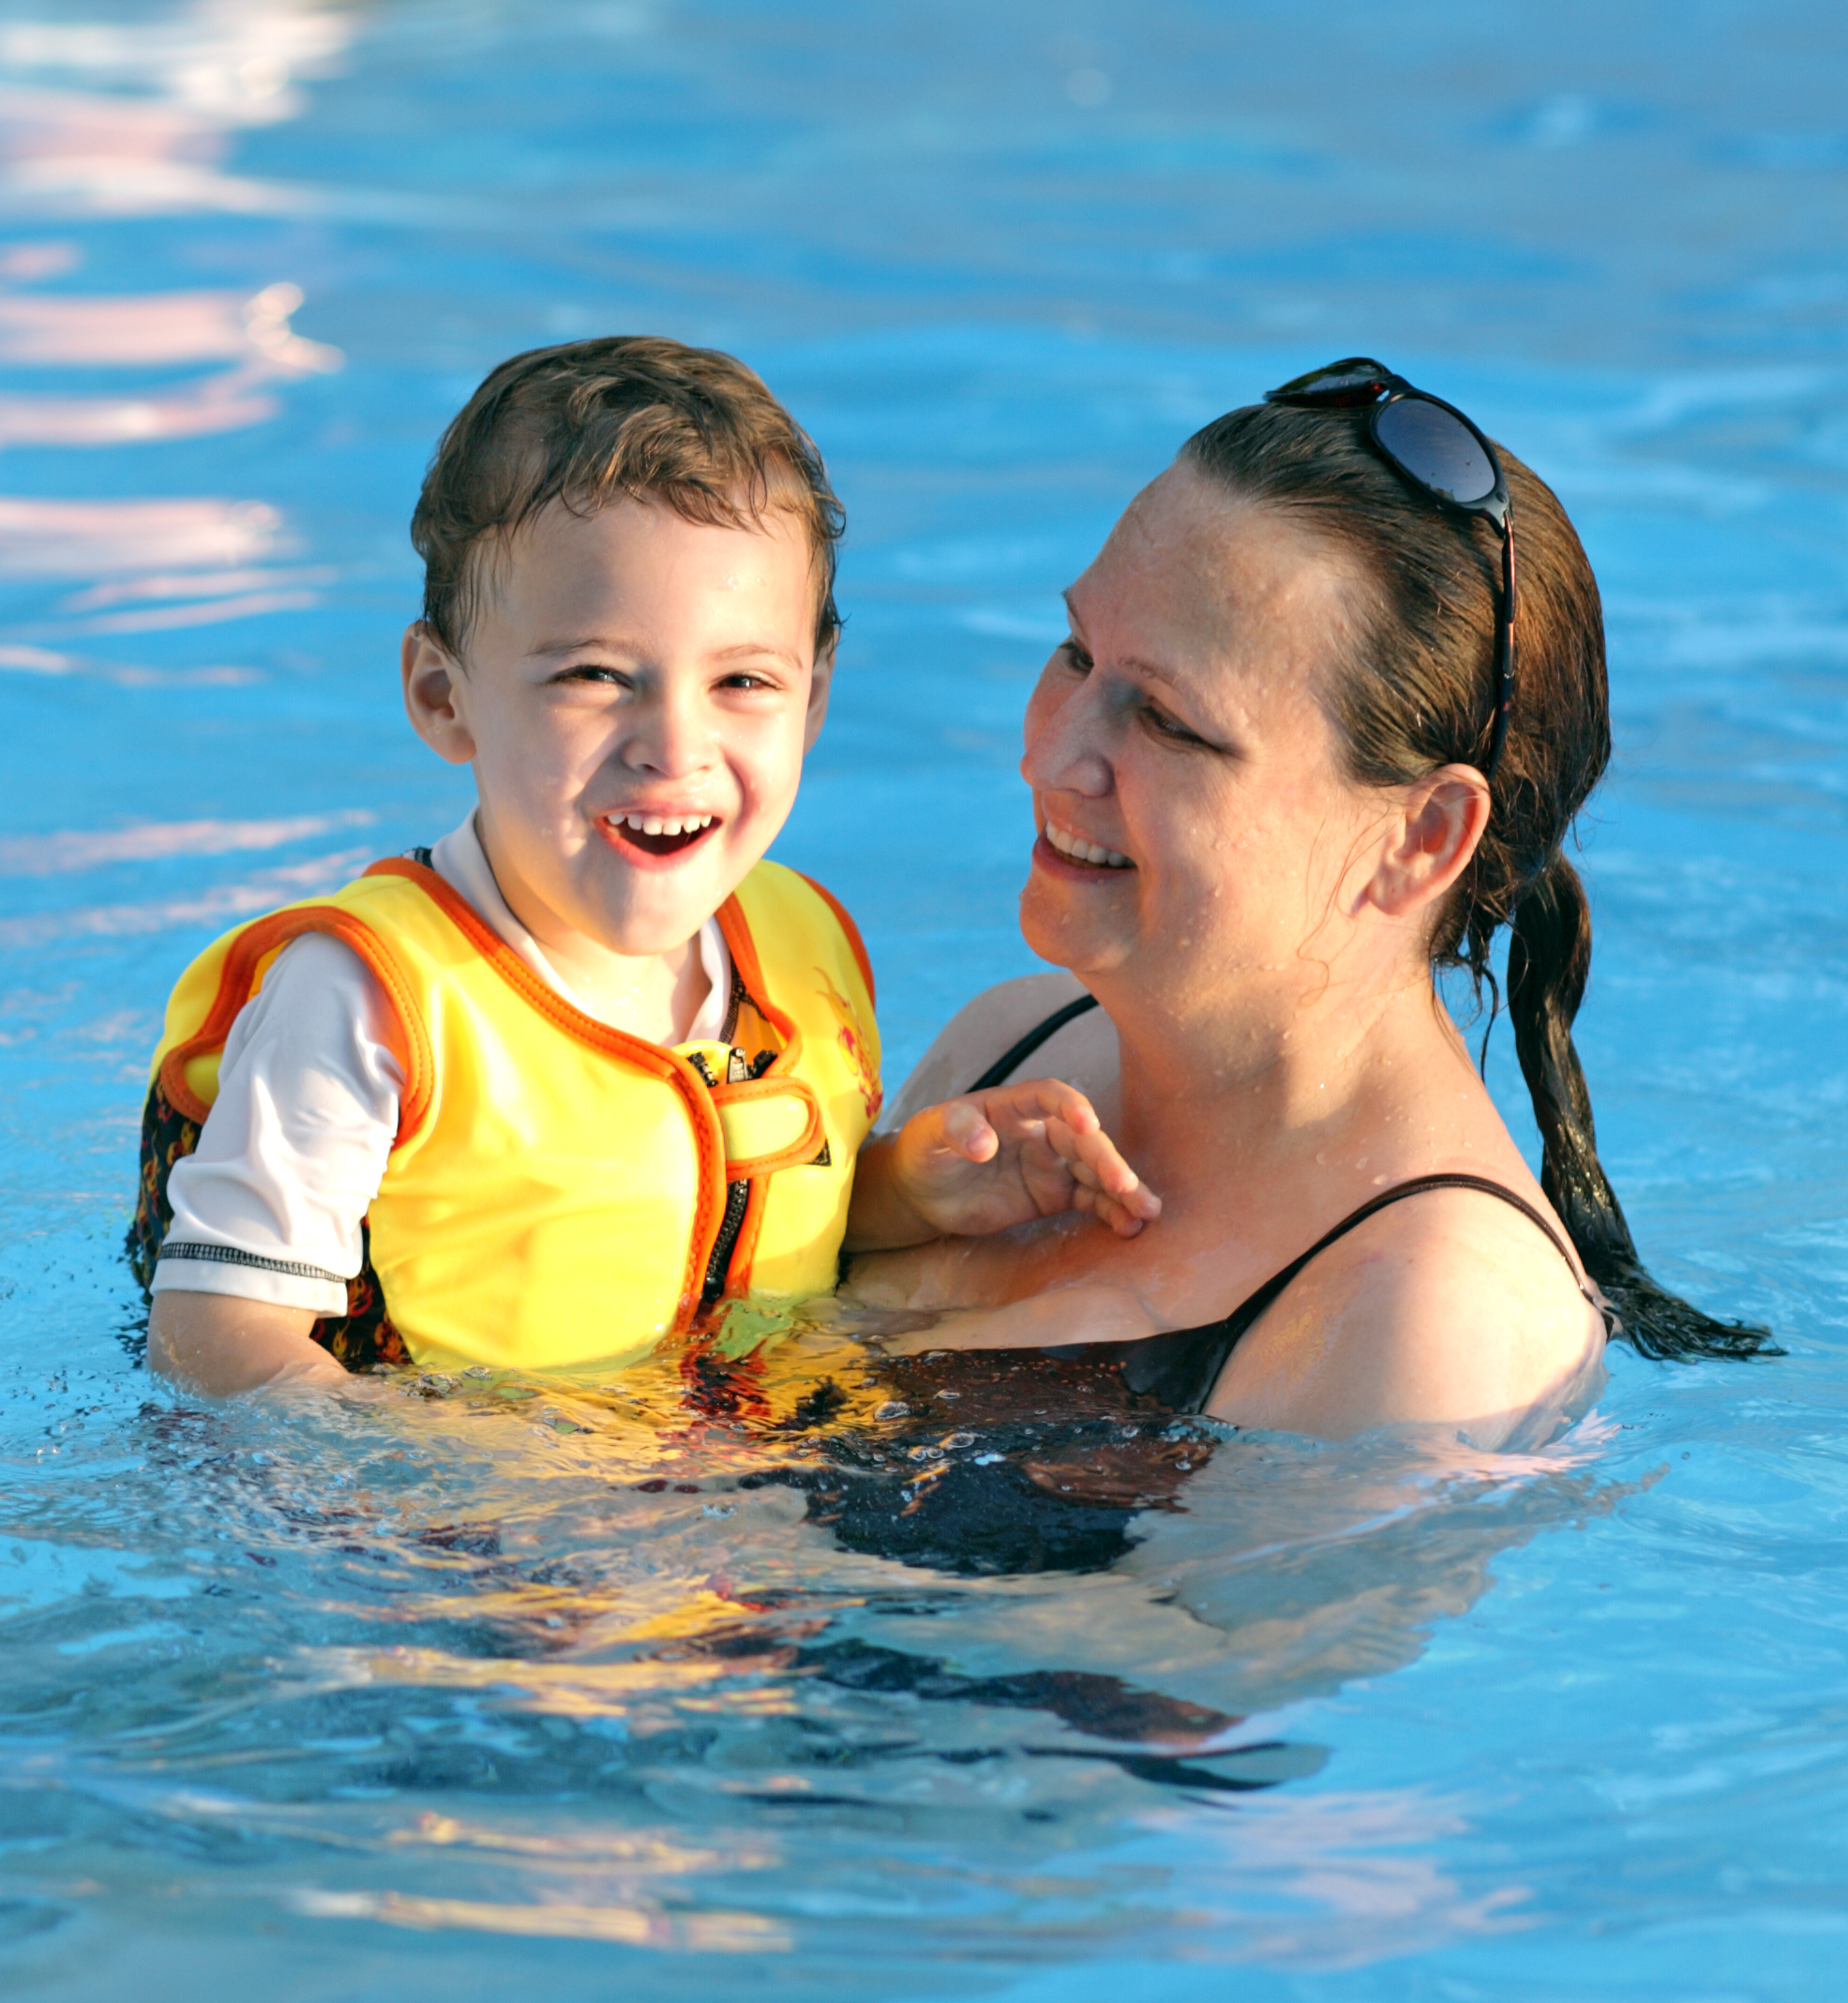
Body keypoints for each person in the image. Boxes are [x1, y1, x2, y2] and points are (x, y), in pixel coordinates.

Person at [134, 337, 1156, 1396]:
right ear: (444, 696)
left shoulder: (800, 944)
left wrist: (910, 1190)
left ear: (812, 699)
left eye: (743, 681)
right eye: (595, 674)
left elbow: (735, 1225)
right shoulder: (369, 1005)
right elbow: (213, 1339)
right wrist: (443, 1498)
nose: (674, 745)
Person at [845, 358, 1771, 1446]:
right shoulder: (1009, 1050)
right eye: (1076, 652)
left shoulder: (1434, 1317)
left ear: (1420, 837)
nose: (1048, 755)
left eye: (1170, 723)